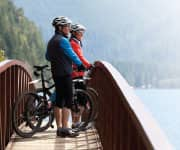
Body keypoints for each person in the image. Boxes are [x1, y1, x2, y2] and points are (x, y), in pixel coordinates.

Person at [46, 16, 85, 137]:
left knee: (58, 101)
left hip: (56, 73)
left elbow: (47, 57)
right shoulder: (63, 41)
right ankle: (66, 128)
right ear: (60, 27)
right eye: (67, 26)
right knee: (68, 101)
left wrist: (58, 58)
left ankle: (59, 128)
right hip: (65, 73)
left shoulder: (52, 40)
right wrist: (80, 65)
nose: (69, 29)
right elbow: (72, 54)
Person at [70, 24, 92, 129]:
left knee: (77, 100)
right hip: (76, 74)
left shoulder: (74, 42)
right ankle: (76, 123)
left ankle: (75, 122)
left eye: (82, 32)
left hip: (74, 73)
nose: (82, 34)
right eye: (80, 32)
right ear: (74, 33)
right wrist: (89, 65)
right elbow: (80, 57)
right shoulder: (74, 43)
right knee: (82, 99)